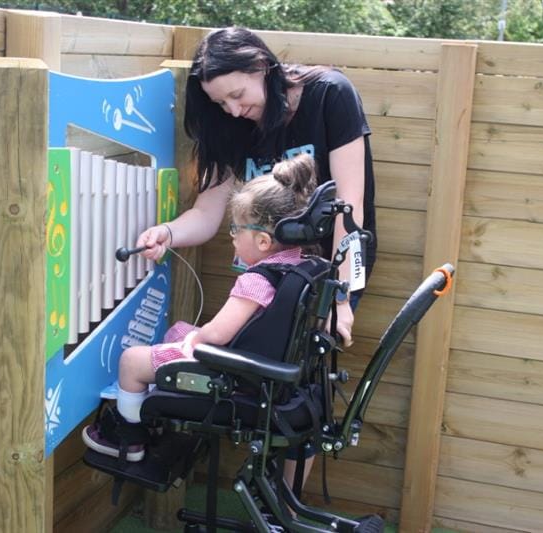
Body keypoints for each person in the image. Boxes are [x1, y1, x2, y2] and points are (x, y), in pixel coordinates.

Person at [138, 26, 377, 348]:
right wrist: (168, 233)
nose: (234, 111)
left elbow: (350, 206)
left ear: (262, 66)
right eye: (220, 103)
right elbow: (207, 212)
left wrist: (341, 296)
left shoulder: (329, 94)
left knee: (295, 377)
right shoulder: (228, 124)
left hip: (328, 271)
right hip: (263, 276)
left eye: (237, 95)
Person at [83, 154, 318, 461]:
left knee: (131, 361)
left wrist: (195, 340)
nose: (232, 239)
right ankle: (151, 416)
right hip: (260, 370)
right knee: (178, 329)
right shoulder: (299, 265)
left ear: (262, 241)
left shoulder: (257, 280)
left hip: (232, 376)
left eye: (236, 230)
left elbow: (218, 333)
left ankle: (130, 437)